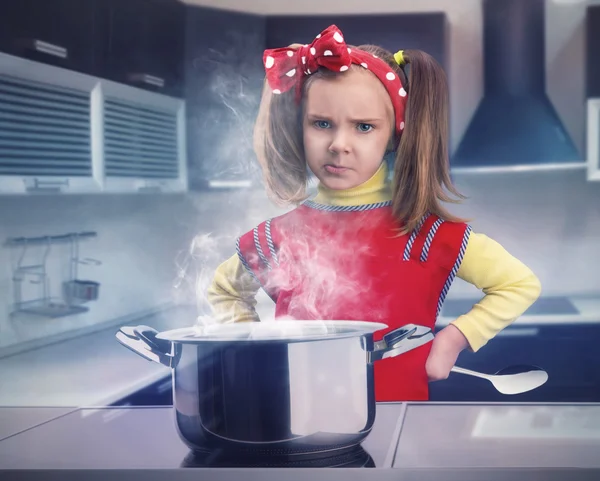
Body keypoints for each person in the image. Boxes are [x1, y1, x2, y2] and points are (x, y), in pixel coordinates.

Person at [206, 25, 541, 401]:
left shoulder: (428, 233)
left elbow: (519, 284)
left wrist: (451, 341)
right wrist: (255, 350)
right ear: (298, 127)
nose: (338, 145)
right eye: (321, 124)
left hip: (402, 428)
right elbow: (225, 291)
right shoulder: (275, 237)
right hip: (295, 424)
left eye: (364, 127)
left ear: (394, 136)